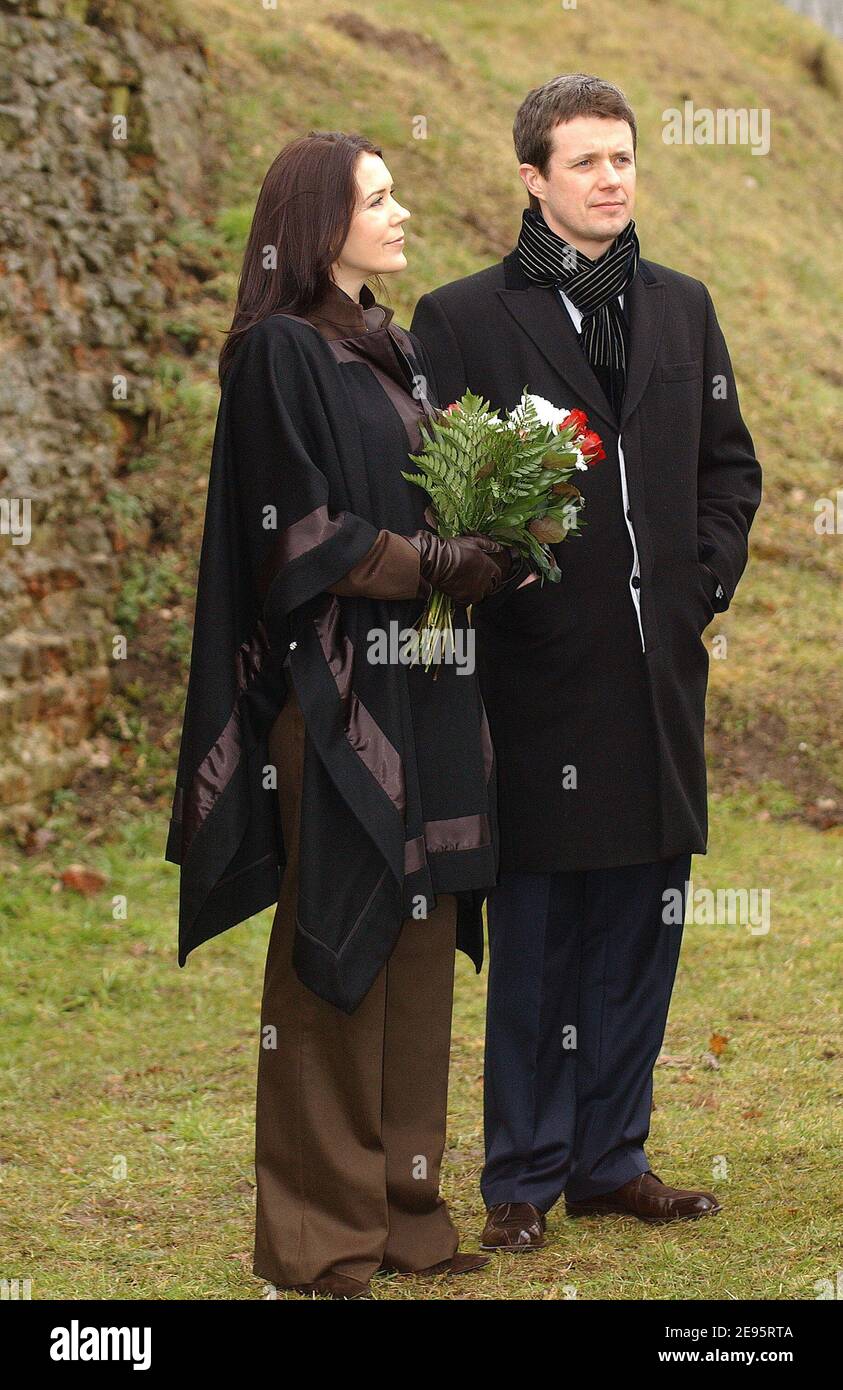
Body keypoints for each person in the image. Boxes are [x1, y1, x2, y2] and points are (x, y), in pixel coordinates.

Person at [410, 74, 762, 1248]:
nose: (612, 180)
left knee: (642, 925)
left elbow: (729, 468)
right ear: (531, 177)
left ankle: (614, 1158)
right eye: (586, 163)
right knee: (540, 940)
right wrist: (503, 578)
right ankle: (521, 1174)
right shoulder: (459, 318)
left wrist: (702, 583)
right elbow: (436, 495)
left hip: (659, 683)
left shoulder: (682, 306)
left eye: (623, 159)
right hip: (535, 683)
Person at [164, 130, 516, 1297]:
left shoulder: (398, 351)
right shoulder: (279, 355)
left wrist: (499, 530)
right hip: (334, 697)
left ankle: (408, 1217)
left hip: (423, 685)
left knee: (417, 955)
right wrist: (435, 559)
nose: (401, 211)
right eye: (378, 197)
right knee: (340, 950)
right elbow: (297, 536)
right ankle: (320, 1243)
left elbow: (435, 492)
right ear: (320, 223)